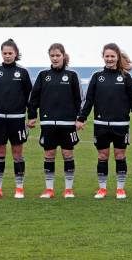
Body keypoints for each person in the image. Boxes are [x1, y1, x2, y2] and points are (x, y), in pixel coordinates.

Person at [78, 43, 132, 200]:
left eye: (112, 56)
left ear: (117, 57)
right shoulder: (97, 76)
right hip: (101, 124)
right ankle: (102, 189)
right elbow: (89, 100)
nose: (110, 59)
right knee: (103, 156)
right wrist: (81, 118)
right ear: (103, 57)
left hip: (121, 125)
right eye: (107, 56)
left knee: (119, 155)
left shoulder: (125, 77)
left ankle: (120, 189)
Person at [28, 43, 83, 199]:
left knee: (67, 154)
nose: (55, 58)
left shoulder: (72, 75)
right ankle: (49, 189)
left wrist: (80, 118)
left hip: (68, 124)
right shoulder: (43, 75)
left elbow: (80, 99)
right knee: (49, 154)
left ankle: (68, 190)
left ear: (63, 56)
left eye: (58, 55)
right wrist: (32, 116)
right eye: (52, 56)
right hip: (47, 123)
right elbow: (34, 98)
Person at [0, 39, 32, 199]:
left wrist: (31, 116)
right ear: (1, 53)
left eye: (10, 53)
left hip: (17, 119)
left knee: (17, 153)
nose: (8, 56)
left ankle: (19, 188)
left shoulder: (23, 72)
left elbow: (30, 96)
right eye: (5, 53)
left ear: (16, 54)